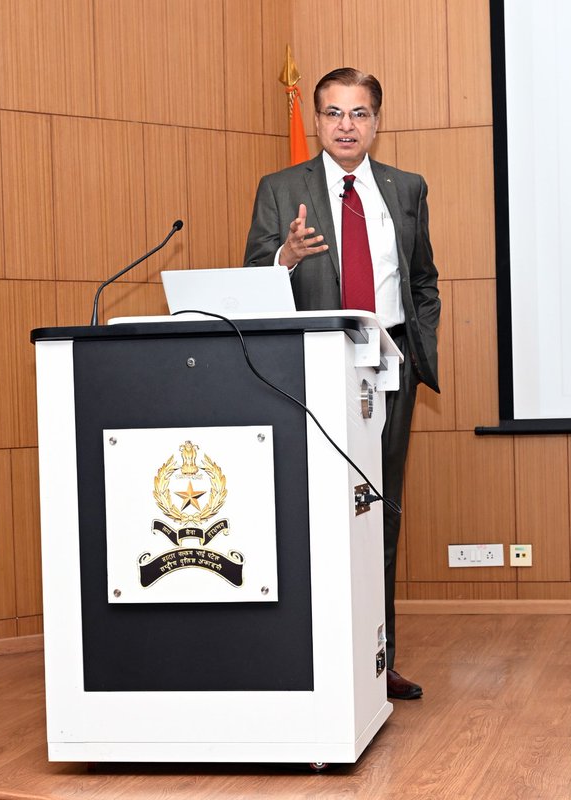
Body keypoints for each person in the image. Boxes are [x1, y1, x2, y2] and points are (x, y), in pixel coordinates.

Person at [244, 67, 441, 701]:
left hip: (388, 365)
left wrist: (413, 352)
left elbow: (424, 280)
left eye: (358, 113)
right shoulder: (280, 189)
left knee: (380, 511)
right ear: (316, 121)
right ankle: (317, 662)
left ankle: (379, 662)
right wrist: (286, 258)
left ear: (377, 121)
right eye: (333, 113)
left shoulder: (405, 189)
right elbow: (254, 277)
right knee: (316, 510)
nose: (346, 125)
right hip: (313, 369)